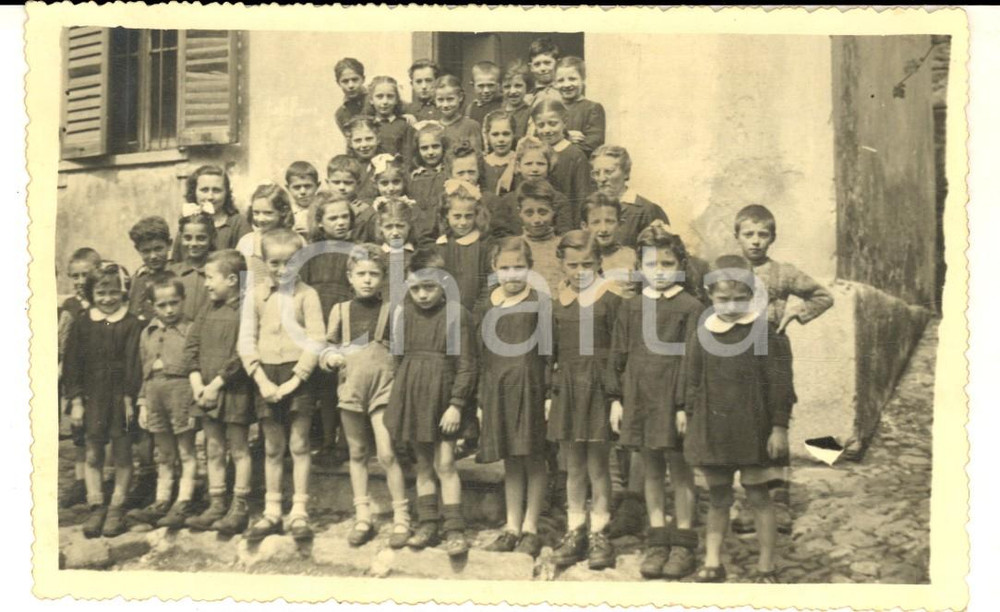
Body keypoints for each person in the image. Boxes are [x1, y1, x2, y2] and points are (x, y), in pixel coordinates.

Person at [682, 254, 795, 583]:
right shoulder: (703, 334)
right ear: (709, 297)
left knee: (759, 496)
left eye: (739, 298)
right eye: (722, 299)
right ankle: (713, 561)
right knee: (718, 498)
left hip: (753, 430)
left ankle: (766, 565)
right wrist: (689, 418)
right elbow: (692, 381)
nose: (731, 307)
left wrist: (779, 427)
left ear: (751, 295)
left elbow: (780, 385)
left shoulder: (764, 333)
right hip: (713, 431)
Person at [730, 204, 834, 536]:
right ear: (737, 237)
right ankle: (747, 497)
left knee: (776, 421)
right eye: (749, 234)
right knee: (744, 422)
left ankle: (778, 499)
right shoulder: (728, 271)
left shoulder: (783, 272)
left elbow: (822, 295)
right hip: (738, 354)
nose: (756, 241)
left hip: (772, 352)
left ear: (772, 237)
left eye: (763, 234)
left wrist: (796, 314)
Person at [608, 225, 703, 580]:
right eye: (651, 263)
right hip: (640, 396)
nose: (659, 270)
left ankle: (683, 541)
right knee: (649, 469)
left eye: (667, 263)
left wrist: (684, 406)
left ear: (679, 265)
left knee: (679, 470)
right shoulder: (631, 307)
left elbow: (692, 360)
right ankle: (657, 538)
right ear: (640, 267)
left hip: (673, 397)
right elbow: (618, 354)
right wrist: (615, 399)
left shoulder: (691, 307)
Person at [384, 249, 478, 556]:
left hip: (443, 398)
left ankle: (454, 528)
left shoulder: (456, 314)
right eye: (415, 288)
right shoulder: (402, 313)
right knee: (423, 463)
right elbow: (397, 359)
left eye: (430, 287)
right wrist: (403, 395)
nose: (422, 295)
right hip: (413, 395)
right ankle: (427, 522)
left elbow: (466, 365)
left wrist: (456, 404)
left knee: (446, 463)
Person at [319, 244, 411, 549]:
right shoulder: (340, 311)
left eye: (374, 274)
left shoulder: (392, 311)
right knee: (357, 453)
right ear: (350, 277)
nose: (368, 280)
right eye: (361, 274)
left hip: (384, 387)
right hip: (351, 388)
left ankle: (402, 518)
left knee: (386, 453)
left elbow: (401, 352)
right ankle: (363, 515)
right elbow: (327, 345)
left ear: (384, 277)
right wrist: (330, 356)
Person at [238, 229, 326, 542]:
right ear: (264, 262)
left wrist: (295, 380)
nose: (282, 269)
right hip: (266, 376)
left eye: (289, 262)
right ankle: (272, 511)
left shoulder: (307, 295)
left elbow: (316, 339)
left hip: (297, 376)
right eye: (274, 262)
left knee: (299, 444)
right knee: (272, 447)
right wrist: (260, 379)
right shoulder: (255, 296)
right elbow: (246, 339)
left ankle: (299, 511)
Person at [547, 231, 622, 570]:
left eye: (588, 264)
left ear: (599, 264)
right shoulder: (559, 301)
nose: (580, 270)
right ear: (562, 265)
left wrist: (617, 397)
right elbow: (552, 353)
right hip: (568, 388)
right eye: (573, 264)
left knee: (598, 465)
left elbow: (620, 353)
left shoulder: (610, 300)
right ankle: (575, 528)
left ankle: (599, 531)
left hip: (599, 387)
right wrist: (551, 393)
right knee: (573, 465)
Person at [478, 237, 549, 558]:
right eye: (505, 268)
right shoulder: (487, 305)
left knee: (533, 457)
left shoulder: (540, 302)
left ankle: (531, 527)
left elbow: (550, 354)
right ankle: (511, 526)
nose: (512, 274)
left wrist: (549, 394)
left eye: (519, 267)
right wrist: (482, 399)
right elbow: (482, 355)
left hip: (530, 387)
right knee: (511, 459)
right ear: (494, 269)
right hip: (498, 390)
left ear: (529, 268)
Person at [64, 262, 144, 538]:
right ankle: (96, 505)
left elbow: (135, 364)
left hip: (120, 399)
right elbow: (72, 365)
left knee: (122, 456)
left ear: (123, 292)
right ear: (91, 293)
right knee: (94, 454)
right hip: (92, 398)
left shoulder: (132, 323)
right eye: (101, 293)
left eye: (113, 292)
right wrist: (76, 401)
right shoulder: (83, 323)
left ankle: (116, 508)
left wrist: (130, 398)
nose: (107, 298)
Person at [182, 249, 255, 535]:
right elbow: (192, 346)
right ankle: (216, 503)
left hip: (232, 390)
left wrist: (216, 385)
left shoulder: (246, 310)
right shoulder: (207, 309)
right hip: (205, 390)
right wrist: (198, 384)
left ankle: (240, 506)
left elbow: (242, 355)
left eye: (211, 278)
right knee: (213, 447)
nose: (207, 284)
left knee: (238, 447)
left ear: (233, 280)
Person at [127, 273, 197, 529]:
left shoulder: (191, 329)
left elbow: (195, 367)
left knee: (186, 451)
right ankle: (161, 500)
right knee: (164, 453)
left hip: (181, 391)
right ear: (152, 306)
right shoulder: (148, 333)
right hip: (155, 393)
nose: (169, 310)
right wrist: (143, 402)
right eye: (162, 305)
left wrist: (193, 403)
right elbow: (145, 371)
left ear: (183, 300)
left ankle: (185, 499)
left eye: (174, 303)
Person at [300, 192, 356, 466]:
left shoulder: (357, 251)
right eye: (333, 218)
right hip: (317, 324)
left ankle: (347, 443)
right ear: (320, 222)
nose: (340, 222)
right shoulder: (310, 254)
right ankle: (325, 441)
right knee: (322, 386)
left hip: (347, 324)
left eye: (345, 216)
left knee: (344, 384)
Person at [58, 247, 102, 509]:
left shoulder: (104, 298)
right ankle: (80, 480)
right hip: (78, 375)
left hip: (100, 376)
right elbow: (62, 341)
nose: (79, 281)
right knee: (80, 433)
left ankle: (100, 479)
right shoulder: (70, 306)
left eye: (85, 275)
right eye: (74, 276)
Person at [589, 145, 669, 248]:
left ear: (626, 173)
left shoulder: (647, 211)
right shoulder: (591, 209)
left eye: (608, 171)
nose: (601, 178)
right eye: (596, 173)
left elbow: (653, 260)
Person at [532, 99, 594, 228]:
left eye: (553, 124)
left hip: (567, 223)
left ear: (564, 122)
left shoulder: (574, 155)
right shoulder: (534, 154)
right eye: (541, 125)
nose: (547, 130)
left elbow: (581, 198)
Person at [171, 165, 252, 261]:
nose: (210, 196)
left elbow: (247, 266)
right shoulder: (188, 221)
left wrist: (244, 276)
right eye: (204, 190)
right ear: (194, 192)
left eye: (217, 190)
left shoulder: (238, 223)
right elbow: (176, 261)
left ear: (226, 193)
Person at [435, 179, 492, 313]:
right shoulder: (441, 245)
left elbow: (488, 283)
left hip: (477, 312)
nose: (463, 222)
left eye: (468, 216)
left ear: (476, 215)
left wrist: (479, 311)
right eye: (457, 216)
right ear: (446, 215)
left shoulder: (484, 245)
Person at [580, 193, 638, 299]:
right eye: (596, 222)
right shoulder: (579, 259)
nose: (603, 229)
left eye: (610, 222)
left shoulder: (632, 256)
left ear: (620, 224)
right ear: (585, 226)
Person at [236, 183, 296, 284]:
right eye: (256, 212)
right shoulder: (246, 242)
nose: (261, 219)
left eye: (268, 213)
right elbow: (239, 277)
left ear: (283, 211)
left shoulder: (295, 240)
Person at [515, 179, 564, 295]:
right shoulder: (514, 248)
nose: (536, 220)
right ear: (520, 212)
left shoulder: (564, 247)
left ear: (553, 211)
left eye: (543, 212)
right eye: (529, 213)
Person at [555, 57, 606, 157]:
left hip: (580, 164)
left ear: (583, 79)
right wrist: (565, 138)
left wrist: (556, 143)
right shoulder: (552, 109)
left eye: (572, 79)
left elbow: (592, 144)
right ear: (555, 83)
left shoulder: (593, 109)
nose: (566, 84)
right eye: (561, 80)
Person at [169, 212, 215, 321]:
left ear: (211, 238)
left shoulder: (220, 272)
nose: (193, 243)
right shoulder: (171, 273)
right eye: (188, 238)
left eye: (201, 238)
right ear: (180, 238)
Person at [127, 216, 173, 323]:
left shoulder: (176, 275)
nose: (153, 256)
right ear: (138, 250)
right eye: (146, 251)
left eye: (158, 249)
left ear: (169, 244)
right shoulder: (138, 278)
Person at [326, 154, 378, 244]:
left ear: (358, 184)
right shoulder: (322, 206)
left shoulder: (366, 210)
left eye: (347, 183)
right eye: (336, 182)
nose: (341, 187)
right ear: (328, 182)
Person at [368, 76, 416, 163]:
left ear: (396, 99)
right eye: (379, 96)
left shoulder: (404, 126)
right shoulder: (367, 125)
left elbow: (409, 157)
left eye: (390, 96)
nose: (385, 101)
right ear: (371, 99)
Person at [434, 75, 483, 153]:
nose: (445, 105)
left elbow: (477, 156)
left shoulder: (471, 126)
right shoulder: (434, 127)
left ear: (460, 97)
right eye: (440, 100)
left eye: (450, 99)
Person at [343, 115, 384, 202]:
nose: (364, 145)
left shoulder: (385, 163)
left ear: (378, 139)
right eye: (358, 140)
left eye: (369, 139)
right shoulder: (346, 166)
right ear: (350, 143)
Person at [482, 110, 518, 196]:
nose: (501, 139)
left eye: (506, 134)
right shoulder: (482, 163)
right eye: (495, 134)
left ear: (513, 134)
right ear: (487, 136)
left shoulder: (519, 161)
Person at [285, 161, 321, 238]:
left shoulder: (323, 208)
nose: (303, 192)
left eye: (308, 186)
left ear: (317, 186)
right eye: (297, 187)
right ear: (288, 188)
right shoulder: (286, 211)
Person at [334, 57, 369, 136]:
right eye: (345, 81)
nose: (351, 85)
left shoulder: (377, 99)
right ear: (338, 83)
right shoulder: (341, 114)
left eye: (355, 79)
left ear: (363, 79)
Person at [501, 60, 533, 141]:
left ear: (527, 87)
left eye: (518, 86)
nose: (512, 91)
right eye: (507, 86)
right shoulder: (498, 111)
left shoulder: (530, 112)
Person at [526, 36, 561, 107]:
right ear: (531, 67)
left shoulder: (565, 92)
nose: (542, 68)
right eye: (537, 64)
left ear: (558, 63)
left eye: (547, 63)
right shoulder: (528, 98)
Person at [465, 61, 502, 126]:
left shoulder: (504, 105)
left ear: (498, 85)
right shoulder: (470, 109)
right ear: (473, 85)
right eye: (481, 86)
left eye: (490, 85)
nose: (486, 91)